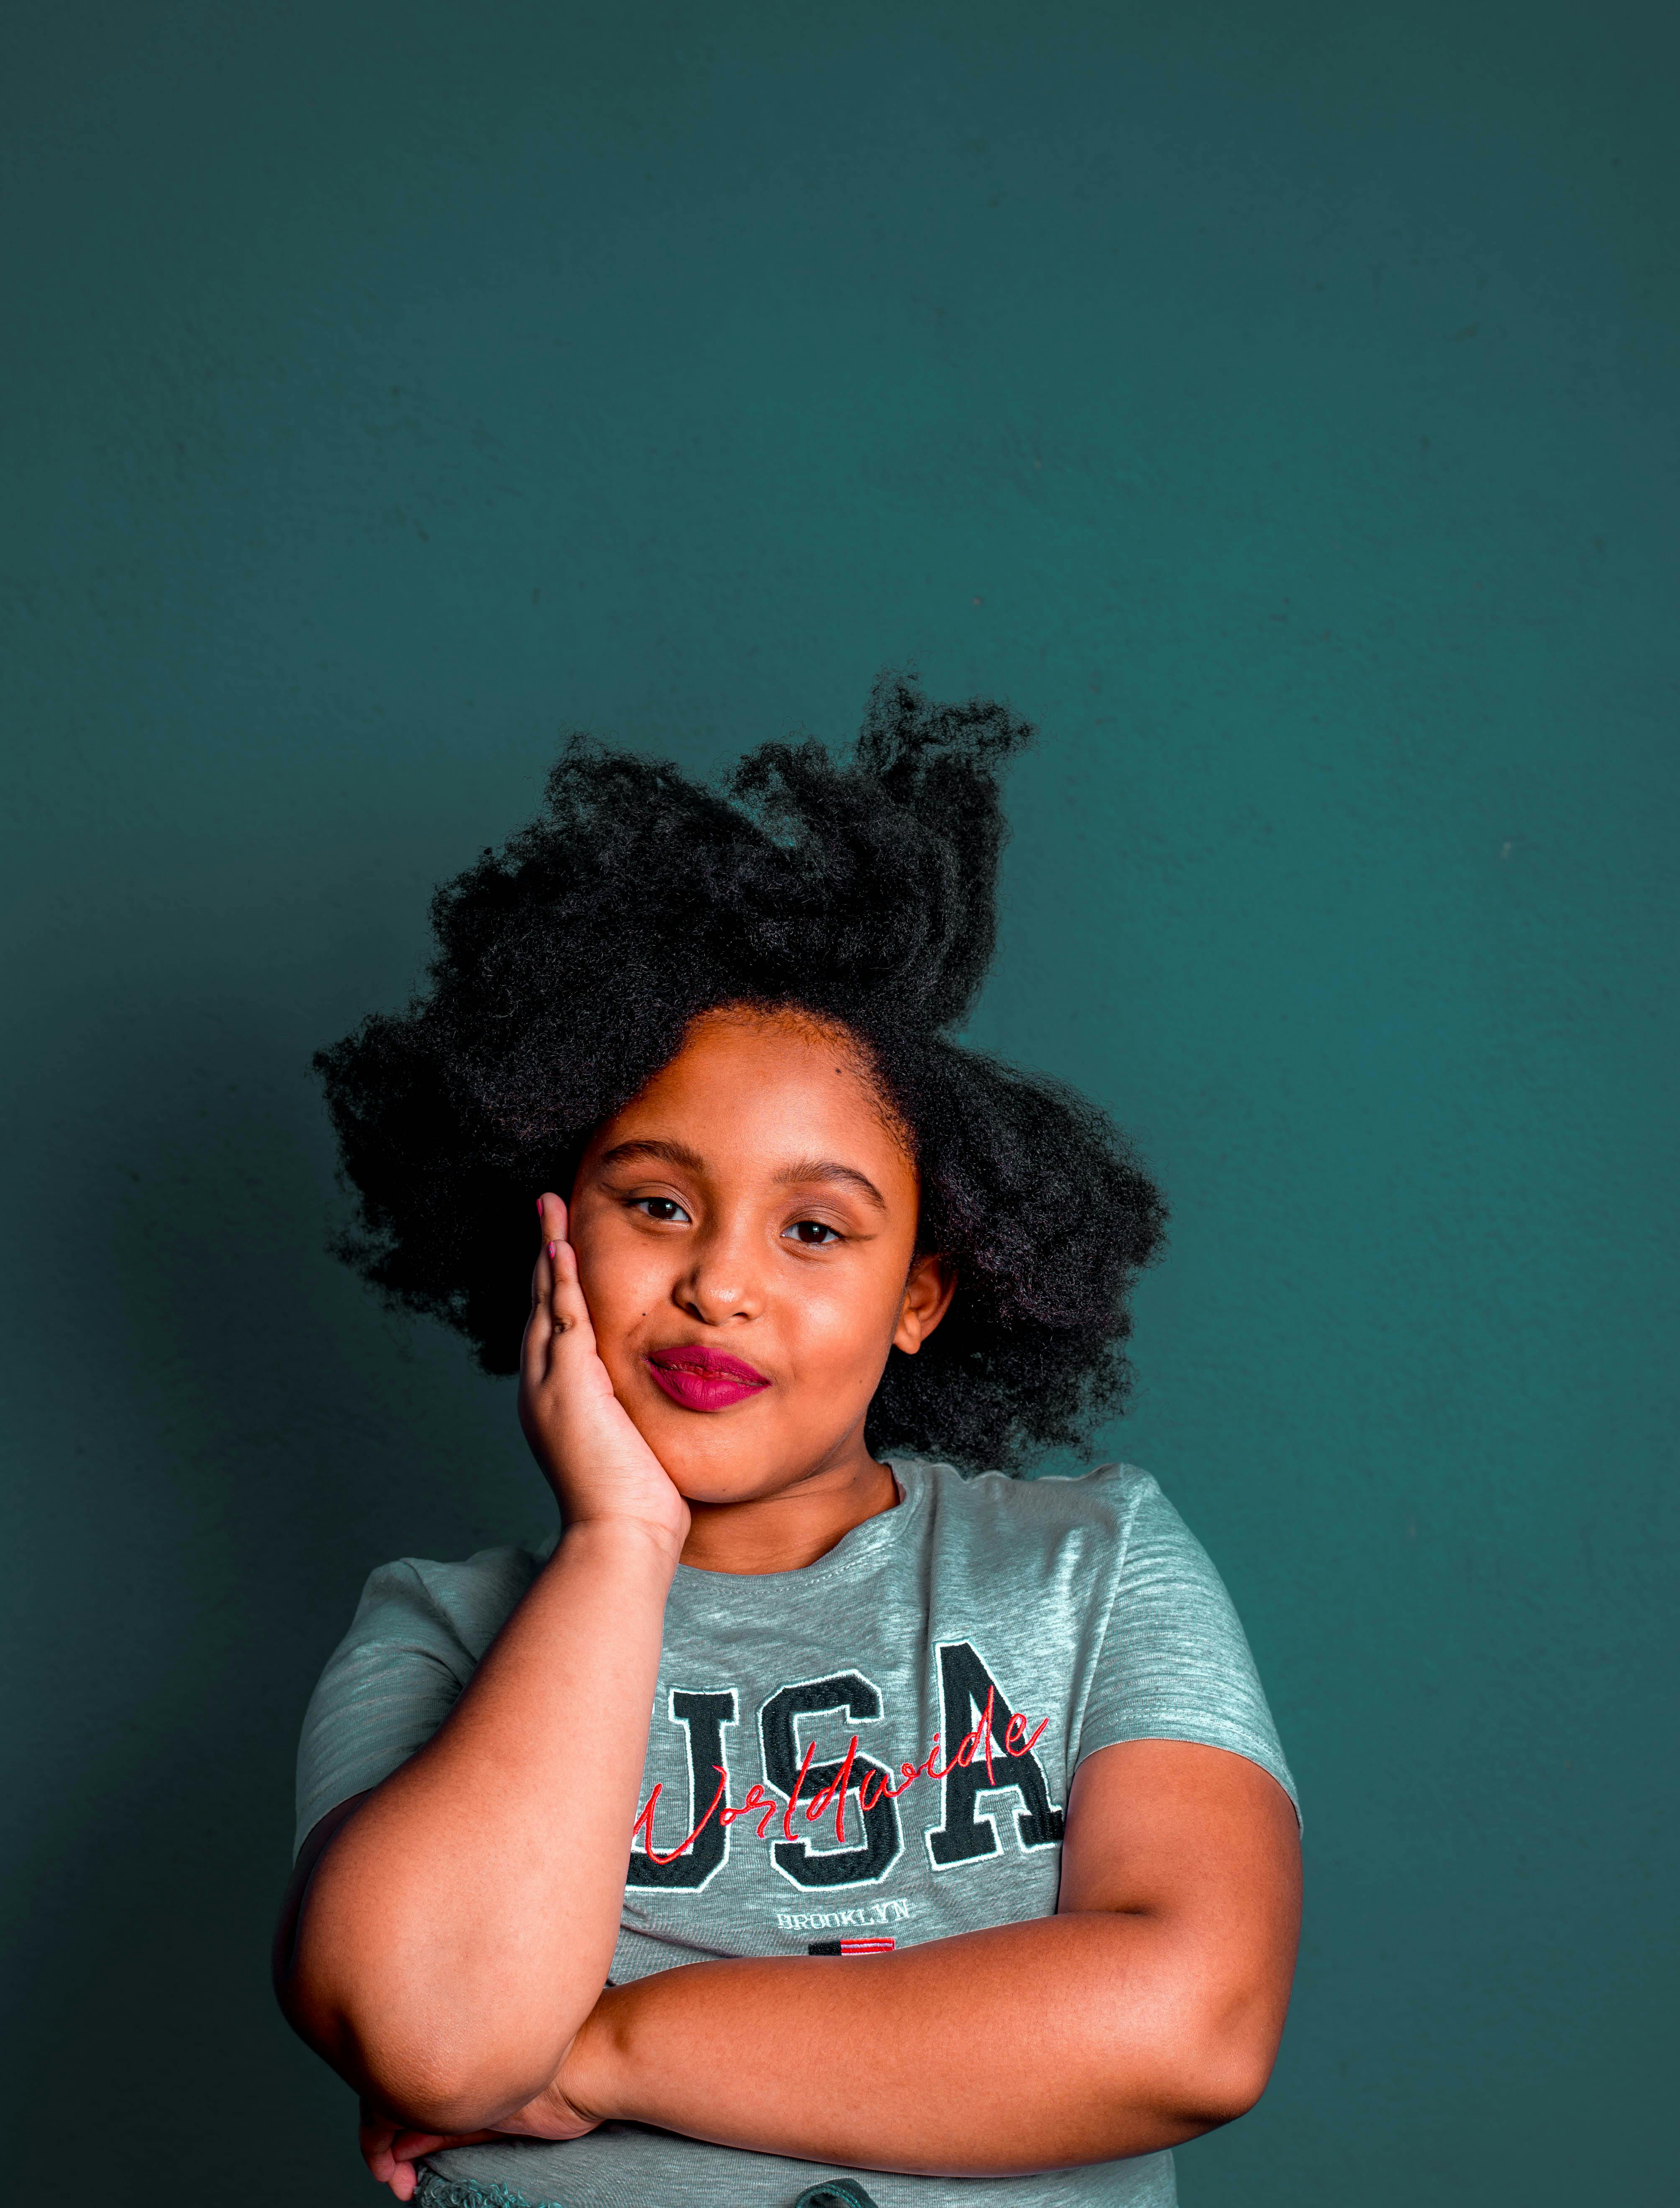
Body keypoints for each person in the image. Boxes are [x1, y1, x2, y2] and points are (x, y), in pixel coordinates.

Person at [274, 679, 1301, 2208]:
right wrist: (624, 1546)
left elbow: (1190, 2027)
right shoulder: (435, 1631)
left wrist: (602, 2052)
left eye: (815, 1228)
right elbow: (434, 2041)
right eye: (656, 1203)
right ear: (552, 1234)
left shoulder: (1090, 1569)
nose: (721, 1283)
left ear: (923, 1295)